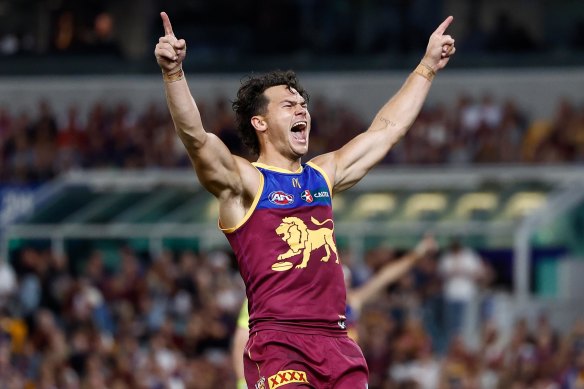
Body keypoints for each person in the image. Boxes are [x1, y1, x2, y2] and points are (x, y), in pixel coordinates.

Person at [155, 11, 455, 388]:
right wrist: (173, 74)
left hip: (338, 344)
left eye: (303, 104)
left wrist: (426, 67)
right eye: (288, 105)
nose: (302, 110)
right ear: (259, 122)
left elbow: (387, 130)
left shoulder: (322, 175)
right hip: (280, 343)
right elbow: (196, 138)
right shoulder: (246, 181)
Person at [232, 236, 438, 388]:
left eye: (345, 281)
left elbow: (385, 276)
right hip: (316, 371)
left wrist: (418, 252)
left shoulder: (352, 302)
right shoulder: (308, 304)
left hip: (344, 372)